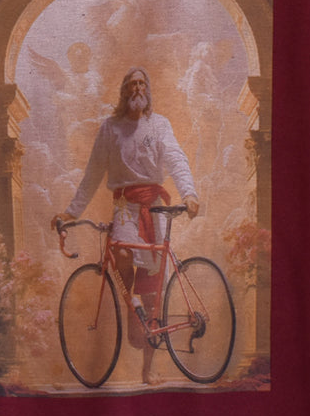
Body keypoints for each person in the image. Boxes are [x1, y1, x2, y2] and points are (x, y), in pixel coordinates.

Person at [54, 67, 200, 385]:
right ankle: (133, 311)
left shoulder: (160, 124)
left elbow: (176, 158)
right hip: (123, 205)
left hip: (154, 206)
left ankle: (148, 369)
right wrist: (71, 212)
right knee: (121, 256)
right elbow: (93, 173)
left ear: (147, 89)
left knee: (153, 287)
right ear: (124, 91)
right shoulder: (111, 128)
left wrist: (189, 193)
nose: (137, 88)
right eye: (132, 84)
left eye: (141, 83)